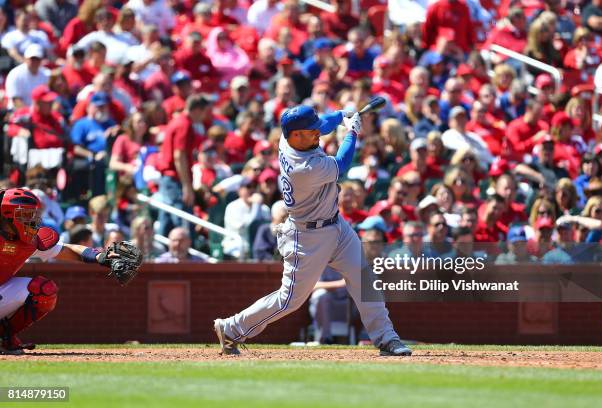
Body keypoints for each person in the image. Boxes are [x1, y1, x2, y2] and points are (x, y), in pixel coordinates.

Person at [213, 105, 411, 357]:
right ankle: (230, 328)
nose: (318, 132)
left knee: (363, 279)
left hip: (335, 225)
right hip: (307, 236)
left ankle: (387, 338)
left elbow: (323, 125)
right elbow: (342, 164)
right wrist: (351, 133)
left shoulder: (292, 140)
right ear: (295, 135)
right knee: (289, 300)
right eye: (311, 130)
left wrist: (341, 115)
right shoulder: (303, 168)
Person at [0, 187, 130, 354]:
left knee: (44, 290)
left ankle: (6, 337)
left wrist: (101, 257)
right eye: (25, 214)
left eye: (33, 214)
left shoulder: (30, 241)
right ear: (7, 215)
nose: (32, 219)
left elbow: (67, 250)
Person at [155, 94, 210, 236]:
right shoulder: (184, 125)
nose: (204, 116)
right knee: (182, 222)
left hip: (168, 178)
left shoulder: (177, 121)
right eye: (204, 112)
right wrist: (186, 185)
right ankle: (182, 257)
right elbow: (179, 156)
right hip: (175, 179)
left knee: (167, 220)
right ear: (197, 110)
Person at [4, 44, 50, 109]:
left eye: (37, 59)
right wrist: (29, 113)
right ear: (25, 59)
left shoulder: (46, 73)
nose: (34, 61)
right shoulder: (15, 74)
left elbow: (50, 96)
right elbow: (16, 100)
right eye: (32, 59)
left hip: (40, 113)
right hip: (18, 112)